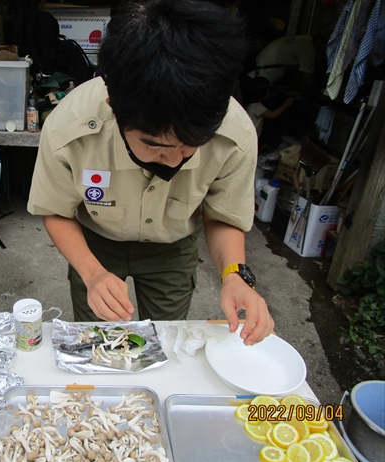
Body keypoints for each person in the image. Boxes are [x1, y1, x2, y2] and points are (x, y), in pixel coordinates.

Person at [27, 0, 274, 345]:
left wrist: (235, 275)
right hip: (95, 243)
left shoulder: (235, 135)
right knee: (97, 340)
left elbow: (223, 215)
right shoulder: (69, 127)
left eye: (189, 149)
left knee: (166, 342)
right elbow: (54, 210)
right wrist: (93, 273)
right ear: (115, 108)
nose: (173, 163)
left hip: (172, 248)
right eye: (155, 146)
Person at [248, 35, 318, 92]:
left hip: (261, 72)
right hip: (262, 75)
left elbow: (298, 72)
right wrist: (315, 93)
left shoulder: (300, 41)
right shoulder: (306, 46)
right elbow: (308, 77)